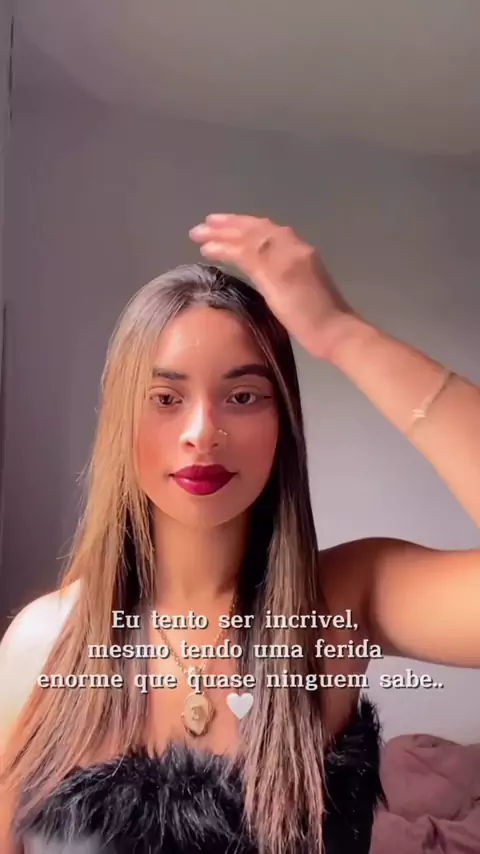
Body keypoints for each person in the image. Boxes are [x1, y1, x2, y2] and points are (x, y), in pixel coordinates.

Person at [0, 213, 479, 854]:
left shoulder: (344, 603)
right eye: (165, 398)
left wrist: (343, 334)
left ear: (283, 422)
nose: (203, 432)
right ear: (120, 420)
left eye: (244, 396)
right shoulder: (40, 648)